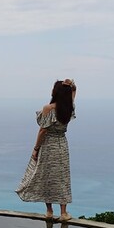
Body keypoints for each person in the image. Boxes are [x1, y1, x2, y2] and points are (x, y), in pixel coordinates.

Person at [15, 79, 77, 220]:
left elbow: (43, 130)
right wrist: (72, 85)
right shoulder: (69, 107)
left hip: (48, 145)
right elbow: (73, 94)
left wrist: (36, 148)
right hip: (62, 145)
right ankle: (63, 213)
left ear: (56, 92)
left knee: (46, 177)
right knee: (63, 178)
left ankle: (49, 211)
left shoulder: (49, 108)